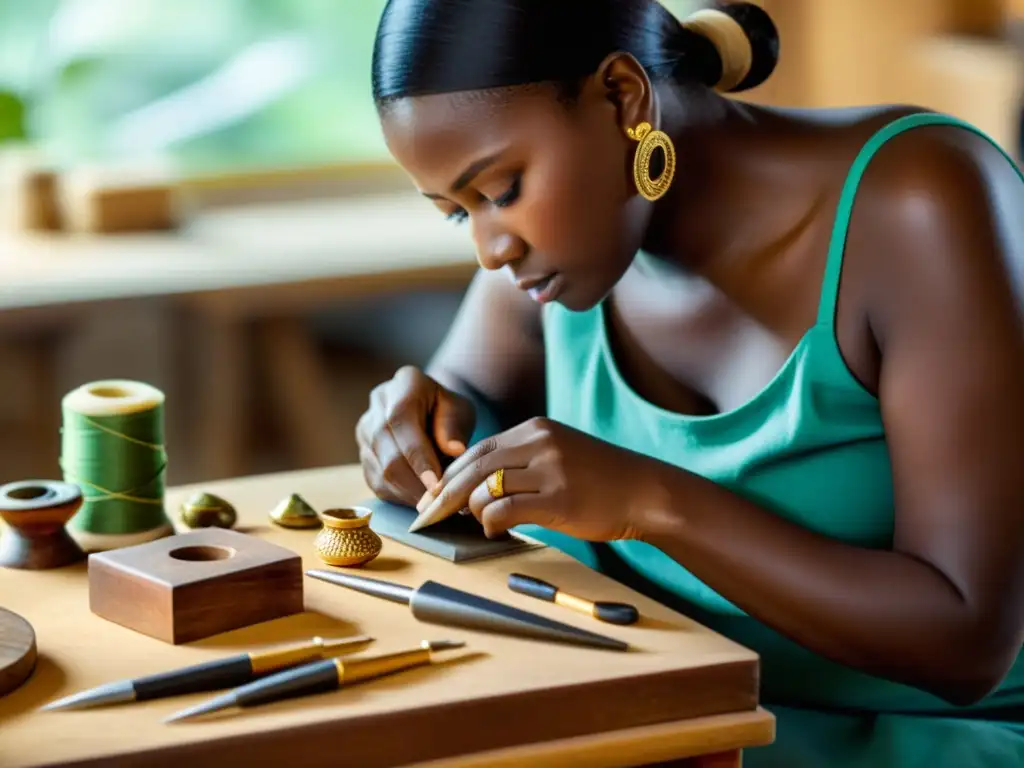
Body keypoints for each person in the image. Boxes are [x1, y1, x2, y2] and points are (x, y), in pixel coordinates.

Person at [355, 1, 1024, 765]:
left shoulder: (920, 201)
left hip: (921, 742)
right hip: (678, 718)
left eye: (502, 190)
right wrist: (414, 418)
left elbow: (967, 644)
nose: (490, 246)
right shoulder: (561, 252)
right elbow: (467, 387)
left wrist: (649, 501)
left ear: (622, 98)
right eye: (455, 212)